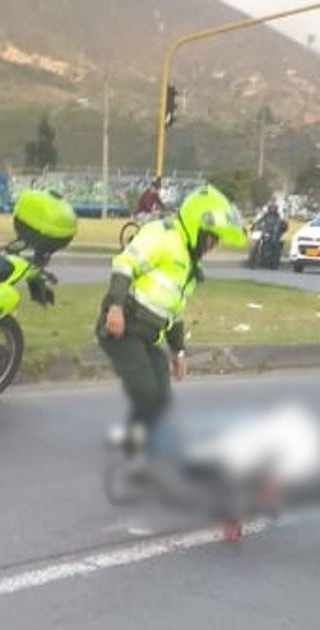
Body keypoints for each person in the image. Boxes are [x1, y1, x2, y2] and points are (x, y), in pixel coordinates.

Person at [100, 184, 247, 458]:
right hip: (122, 328)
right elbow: (124, 264)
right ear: (196, 228)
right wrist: (115, 307)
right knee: (145, 388)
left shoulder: (190, 265)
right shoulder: (163, 235)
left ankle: (138, 437)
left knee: (160, 389)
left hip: (147, 337)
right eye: (211, 238)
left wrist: (178, 351)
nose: (213, 246)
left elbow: (175, 311)